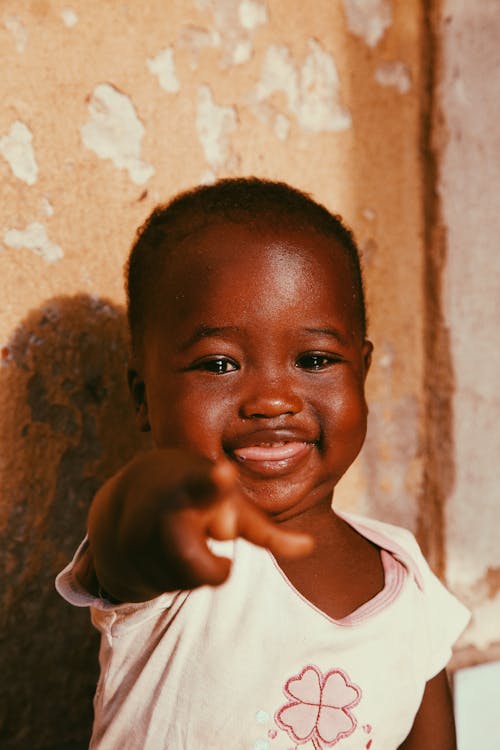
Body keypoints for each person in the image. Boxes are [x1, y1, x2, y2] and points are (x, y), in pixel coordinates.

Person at [56, 178, 470, 750]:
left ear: (363, 373)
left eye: (316, 359)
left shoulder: (411, 585)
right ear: (142, 398)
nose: (273, 399)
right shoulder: (178, 563)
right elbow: (126, 528)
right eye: (219, 365)